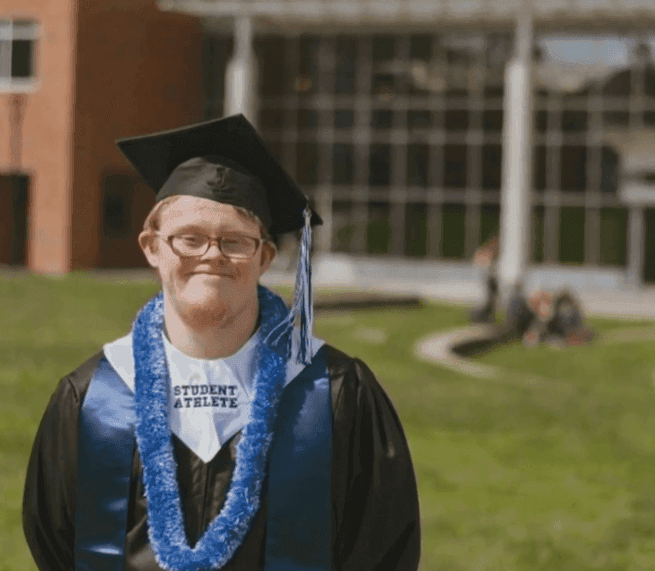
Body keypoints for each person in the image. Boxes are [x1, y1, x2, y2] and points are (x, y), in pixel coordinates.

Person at [22, 115, 421, 571]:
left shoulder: (334, 393)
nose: (212, 255)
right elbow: (55, 547)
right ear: (152, 248)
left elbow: (384, 552)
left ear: (265, 257)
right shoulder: (93, 398)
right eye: (188, 238)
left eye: (234, 241)